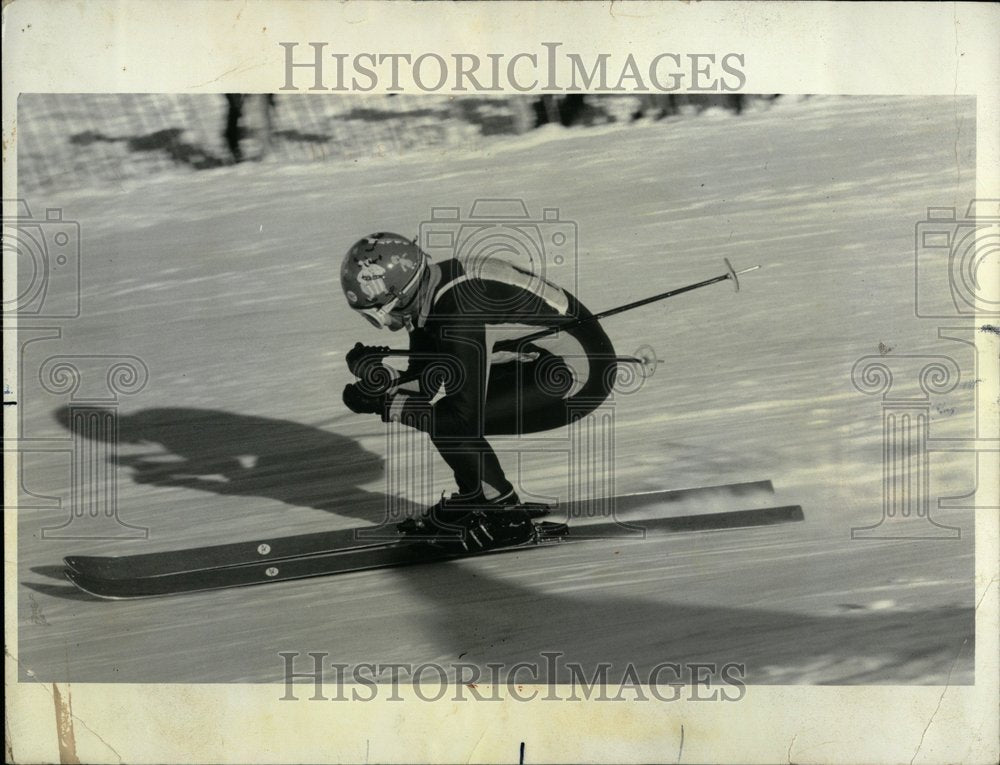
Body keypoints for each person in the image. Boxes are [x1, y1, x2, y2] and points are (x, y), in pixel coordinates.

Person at [339, 232, 617, 551]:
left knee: (450, 421)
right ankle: (481, 499)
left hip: (577, 375)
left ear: (397, 294)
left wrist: (385, 404)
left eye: (376, 312)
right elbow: (425, 383)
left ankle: (506, 518)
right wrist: (375, 377)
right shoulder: (430, 291)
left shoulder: (456, 311)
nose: (383, 322)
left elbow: (460, 420)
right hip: (548, 361)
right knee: (443, 417)